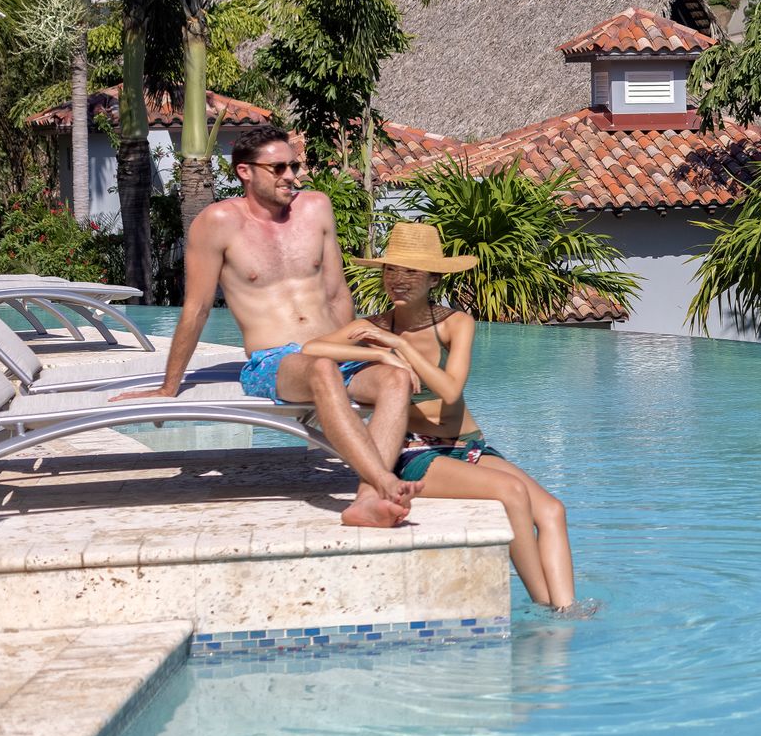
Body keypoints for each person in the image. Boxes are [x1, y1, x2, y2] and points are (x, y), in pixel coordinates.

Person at [110, 125, 422, 528]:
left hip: (333, 350)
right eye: (278, 168)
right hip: (277, 360)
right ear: (245, 172)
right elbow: (197, 308)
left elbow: (336, 293)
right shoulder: (217, 222)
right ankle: (384, 481)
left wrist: (359, 350)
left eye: (294, 165)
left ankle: (366, 502)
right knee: (321, 369)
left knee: (395, 379)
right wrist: (170, 387)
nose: (291, 175)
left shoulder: (316, 208)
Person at [309, 222, 580, 611]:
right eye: (391, 270)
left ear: (434, 278)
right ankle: (545, 608)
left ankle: (568, 609)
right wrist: (377, 353)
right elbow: (311, 346)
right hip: (415, 452)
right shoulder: (369, 328)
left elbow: (451, 389)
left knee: (553, 509)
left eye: (411, 272)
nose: (398, 281)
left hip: (467, 445)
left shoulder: (455, 323)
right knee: (511, 493)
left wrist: (398, 343)